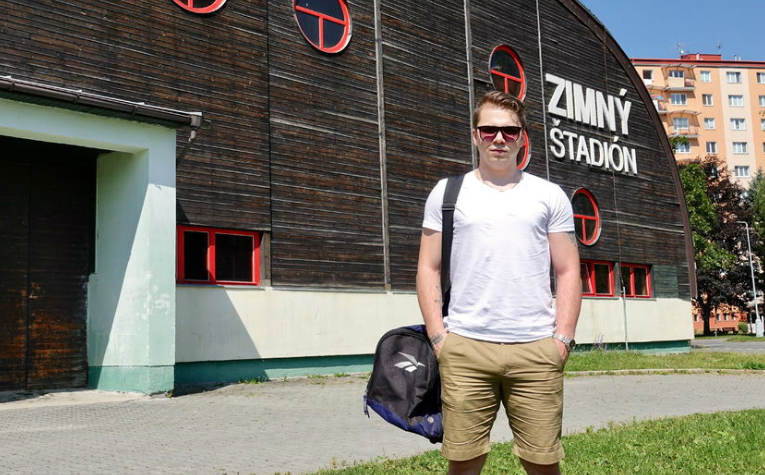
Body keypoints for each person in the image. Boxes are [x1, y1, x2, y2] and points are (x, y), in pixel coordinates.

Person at [416, 91, 582, 475]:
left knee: (542, 464)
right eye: (489, 129)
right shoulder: (447, 193)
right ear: (475, 135)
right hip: (466, 349)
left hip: (537, 349)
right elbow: (428, 267)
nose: (499, 138)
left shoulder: (548, 195)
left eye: (509, 130)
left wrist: (563, 339)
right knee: (464, 463)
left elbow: (568, 271)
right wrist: (439, 338)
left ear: (523, 137)